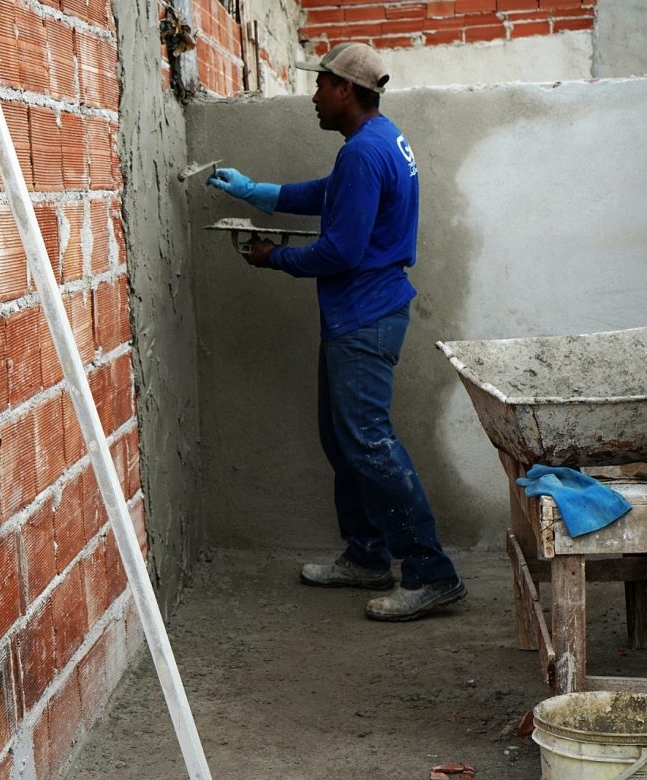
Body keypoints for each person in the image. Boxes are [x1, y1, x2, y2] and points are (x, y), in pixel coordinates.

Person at [207, 42, 465, 621]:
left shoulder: (364, 152)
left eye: (320, 84)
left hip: (365, 317)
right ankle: (367, 556)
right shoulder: (375, 142)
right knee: (345, 439)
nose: (314, 96)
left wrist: (273, 259)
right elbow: (325, 196)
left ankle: (431, 571)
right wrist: (256, 192)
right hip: (362, 313)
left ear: (346, 90)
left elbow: (342, 249)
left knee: (368, 443)